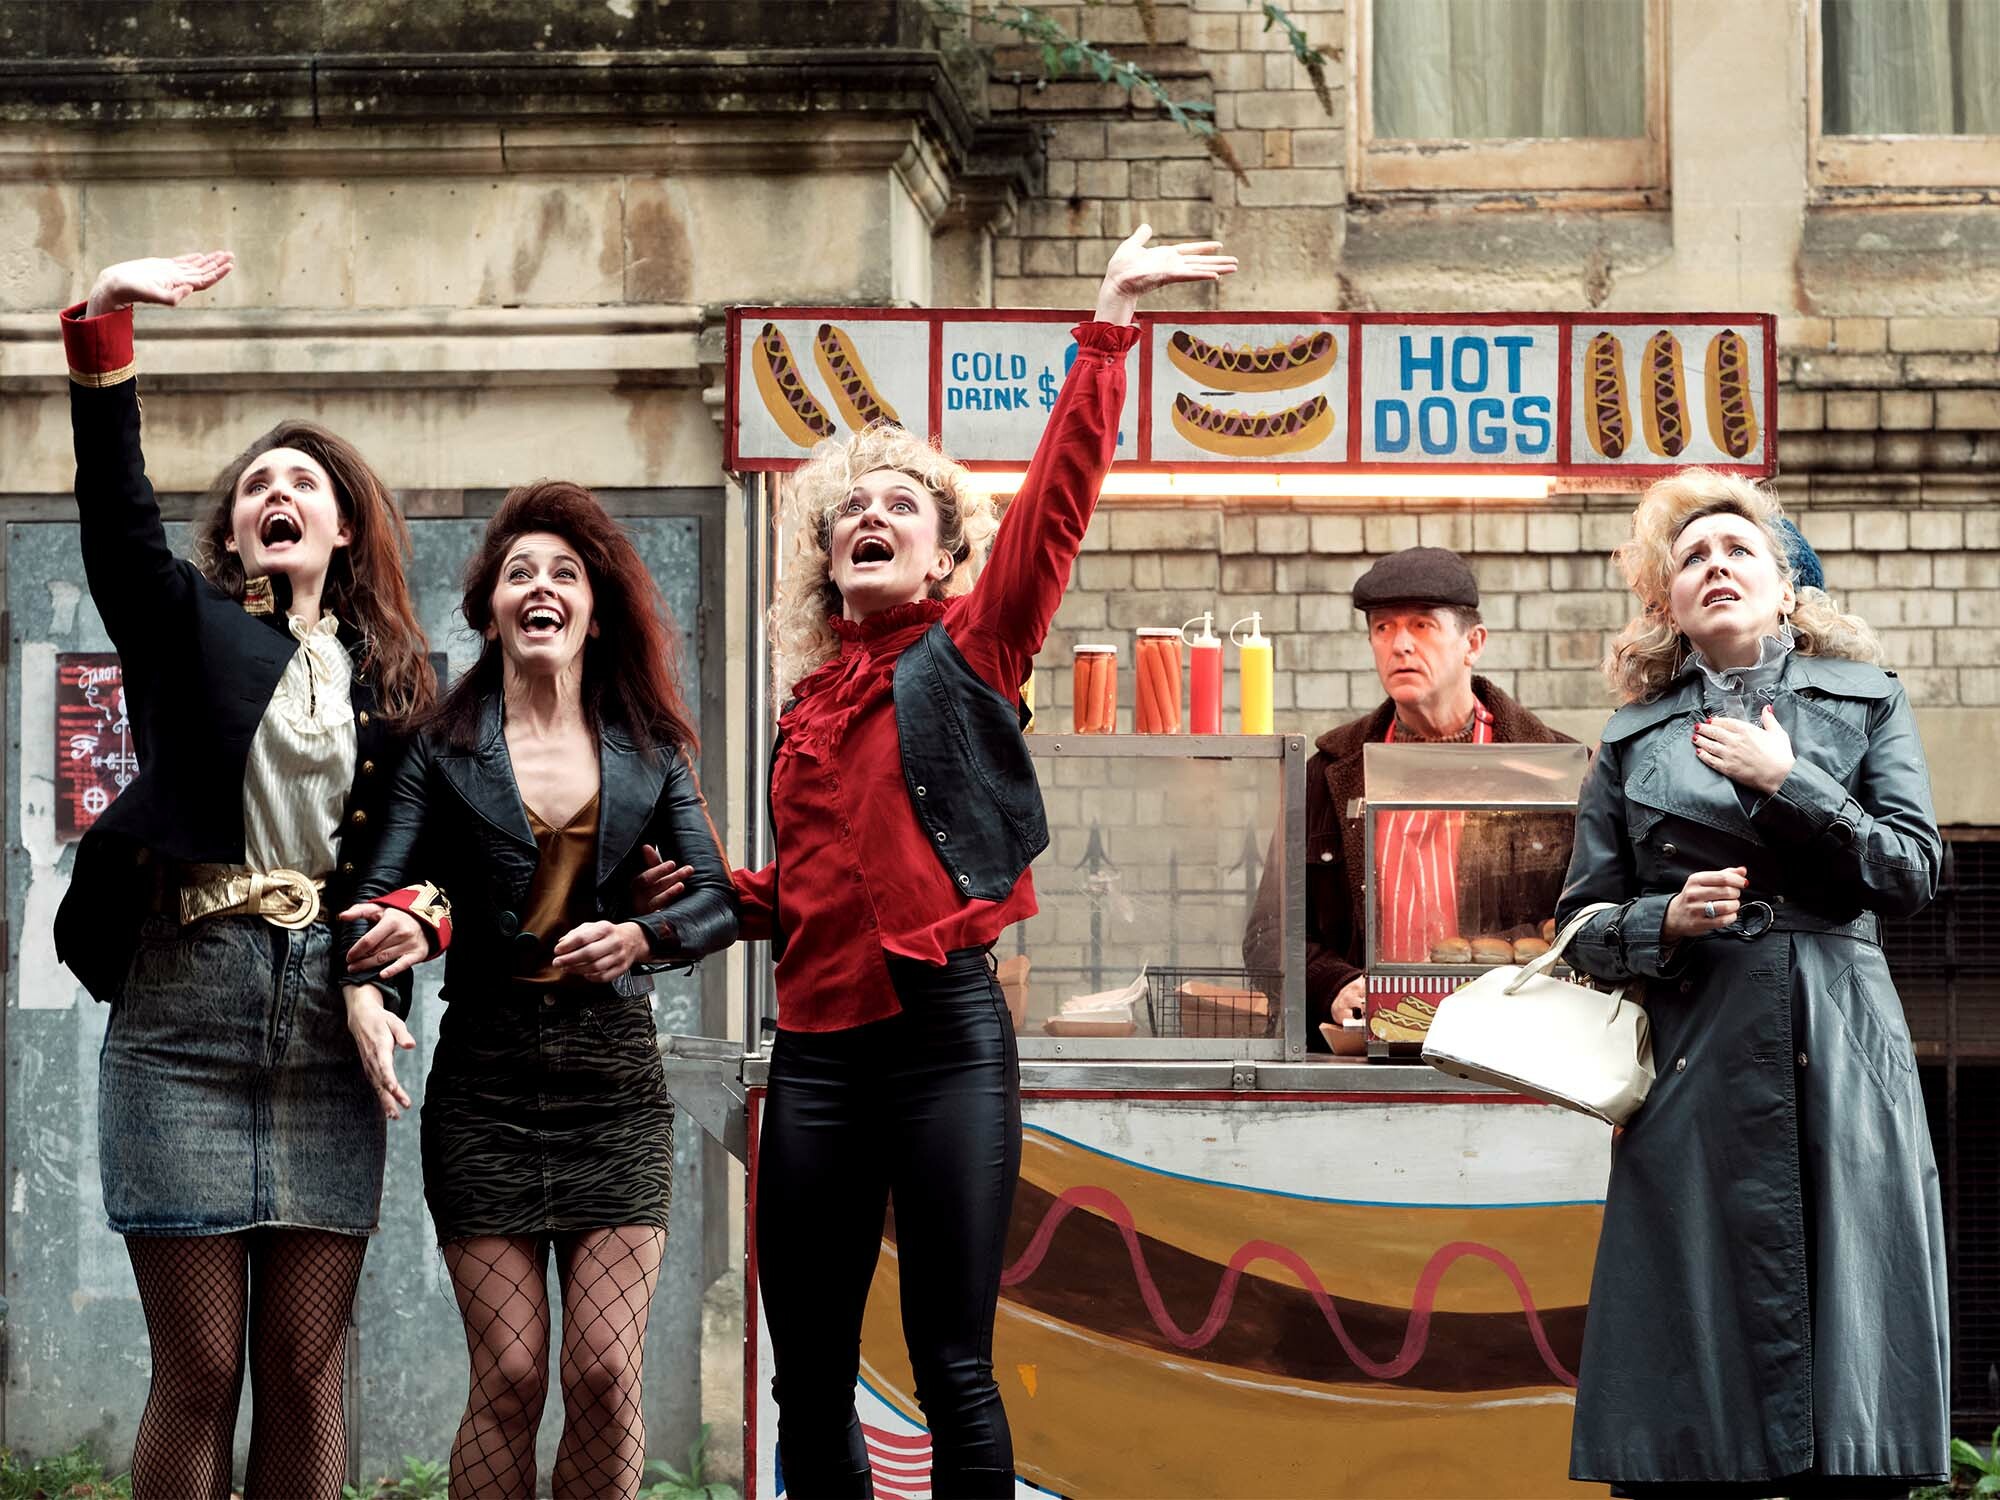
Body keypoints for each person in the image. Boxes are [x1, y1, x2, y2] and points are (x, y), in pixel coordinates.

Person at [736, 226, 1235, 1499]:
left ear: (948, 556)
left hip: (943, 1038)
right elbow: (805, 892)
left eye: (901, 504)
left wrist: (1107, 325)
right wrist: (676, 905)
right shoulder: (803, 709)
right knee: (807, 1373)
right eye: (849, 508)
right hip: (815, 1053)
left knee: (952, 1363)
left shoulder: (969, 651)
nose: (869, 516)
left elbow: (1058, 501)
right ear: (823, 559)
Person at [57, 251, 438, 1498]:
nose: (280, 493)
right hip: (186, 1012)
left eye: (305, 484)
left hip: (331, 1024)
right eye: (257, 486)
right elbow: (117, 519)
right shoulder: (185, 626)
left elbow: (426, 857)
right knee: (204, 1366)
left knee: (307, 1362)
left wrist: (416, 922)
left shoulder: (394, 684)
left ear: (341, 524)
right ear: (233, 531)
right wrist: (108, 320)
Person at [339, 480, 738, 1499]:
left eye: (564, 573)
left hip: (612, 1084)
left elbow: (718, 902)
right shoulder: (439, 748)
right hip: (486, 1079)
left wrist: (643, 935)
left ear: (594, 609)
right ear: (487, 612)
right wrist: (393, 947)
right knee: (511, 1375)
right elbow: (382, 887)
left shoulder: (650, 751)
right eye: (519, 573)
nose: (541, 587)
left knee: (602, 1374)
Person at [1557, 469, 1947, 1498]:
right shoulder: (1630, 741)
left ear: (1786, 589)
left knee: (1847, 1348)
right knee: (1687, 1382)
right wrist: (1662, 921)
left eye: (1739, 551)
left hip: (1839, 1047)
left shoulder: (1865, 703)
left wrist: (1789, 782)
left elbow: (1911, 871)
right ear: (1666, 606)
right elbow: (1576, 928)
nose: (1714, 565)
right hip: (1693, 1061)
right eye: (1691, 558)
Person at [1244, 547, 1572, 1051]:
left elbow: (1588, 919)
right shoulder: (1329, 774)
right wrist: (1333, 984)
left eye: (1422, 626)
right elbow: (1269, 938)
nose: (1400, 645)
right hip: (1369, 1051)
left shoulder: (1552, 769)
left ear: (1473, 643)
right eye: (1383, 628)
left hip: (1513, 1050)